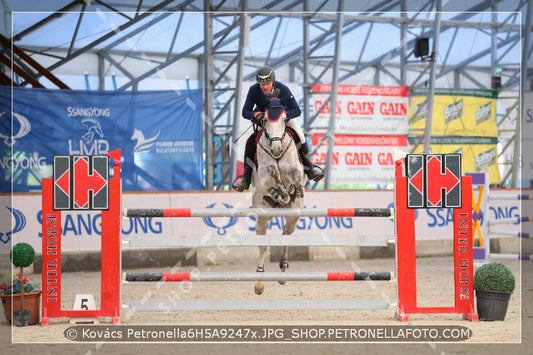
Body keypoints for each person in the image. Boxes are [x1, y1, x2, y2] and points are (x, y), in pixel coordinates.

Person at [232, 66, 324, 192]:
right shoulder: (253, 90)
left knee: (301, 136)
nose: (264, 87)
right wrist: (253, 115)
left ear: (273, 81)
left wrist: (283, 116)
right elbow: (245, 111)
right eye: (261, 84)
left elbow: (296, 110)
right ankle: (246, 180)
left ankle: (310, 170)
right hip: (265, 120)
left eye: (267, 84)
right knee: (249, 143)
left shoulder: (282, 89)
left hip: (283, 119)